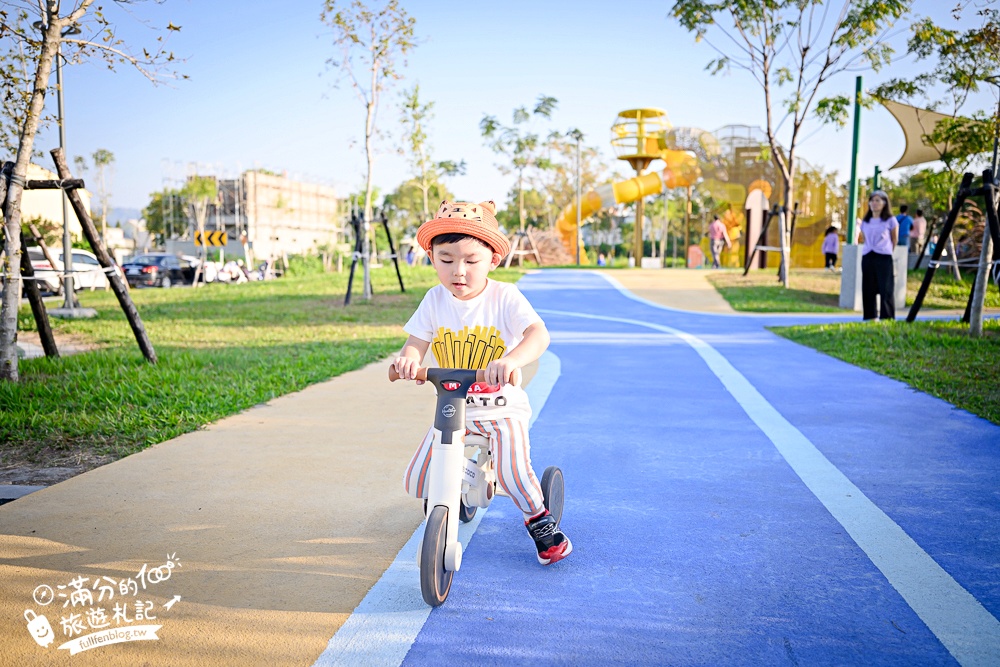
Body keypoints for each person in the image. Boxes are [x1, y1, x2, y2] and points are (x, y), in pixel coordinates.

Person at [392, 200, 572, 565]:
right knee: (416, 480)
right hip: (453, 408)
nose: (458, 270)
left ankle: (539, 520)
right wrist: (408, 362)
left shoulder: (504, 297)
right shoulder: (433, 300)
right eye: (446, 259)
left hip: (501, 408)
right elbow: (415, 344)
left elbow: (538, 334)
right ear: (431, 258)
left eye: (471, 261)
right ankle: (466, 481)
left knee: (512, 473)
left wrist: (511, 360)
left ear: (493, 260)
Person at [859, 190, 899, 320]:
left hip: (884, 256)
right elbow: (865, 238)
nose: (874, 203)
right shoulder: (865, 221)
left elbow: (894, 239)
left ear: (884, 203)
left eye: (878, 200)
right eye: (872, 200)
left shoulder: (891, 220)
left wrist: (886, 250)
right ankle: (870, 316)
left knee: (886, 288)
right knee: (868, 288)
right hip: (868, 256)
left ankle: (887, 317)